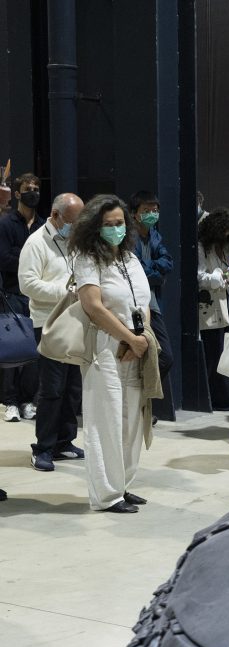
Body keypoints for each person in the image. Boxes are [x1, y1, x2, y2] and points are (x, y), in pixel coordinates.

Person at [72, 194, 155, 513]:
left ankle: (122, 485)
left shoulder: (130, 258)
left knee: (131, 419)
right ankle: (106, 495)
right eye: (108, 225)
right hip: (105, 347)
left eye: (120, 223)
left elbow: (143, 299)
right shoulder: (87, 259)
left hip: (135, 345)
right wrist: (128, 339)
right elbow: (93, 307)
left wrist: (141, 337)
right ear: (95, 227)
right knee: (105, 420)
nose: (116, 229)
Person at [18, 192, 85, 470]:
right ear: (56, 216)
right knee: (52, 389)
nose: (76, 226)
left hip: (77, 322)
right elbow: (27, 285)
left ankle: (64, 441)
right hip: (47, 324)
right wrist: (66, 293)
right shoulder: (36, 243)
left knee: (72, 388)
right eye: (72, 220)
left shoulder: (76, 242)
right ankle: (43, 447)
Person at [0, 172, 44, 422]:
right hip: (12, 294)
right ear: (17, 194)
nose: (33, 192)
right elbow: (3, 259)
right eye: (28, 188)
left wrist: (23, 259)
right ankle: (10, 401)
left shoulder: (41, 226)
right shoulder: (6, 224)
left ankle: (28, 400)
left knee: (34, 351)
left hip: (36, 297)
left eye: (37, 188)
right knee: (13, 349)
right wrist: (29, 261)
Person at [129, 190, 175, 421]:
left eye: (154, 210)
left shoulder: (155, 235)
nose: (151, 214)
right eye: (146, 211)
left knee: (162, 357)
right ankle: (137, 405)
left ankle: (140, 404)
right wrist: (154, 271)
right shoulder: (130, 238)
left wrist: (152, 270)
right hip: (136, 306)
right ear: (135, 214)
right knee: (158, 356)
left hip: (153, 304)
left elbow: (168, 262)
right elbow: (137, 270)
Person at [196, 208, 229, 411]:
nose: (226, 236)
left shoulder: (228, 249)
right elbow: (199, 276)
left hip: (228, 306)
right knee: (214, 355)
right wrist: (218, 277)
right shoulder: (202, 248)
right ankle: (219, 399)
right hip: (210, 307)